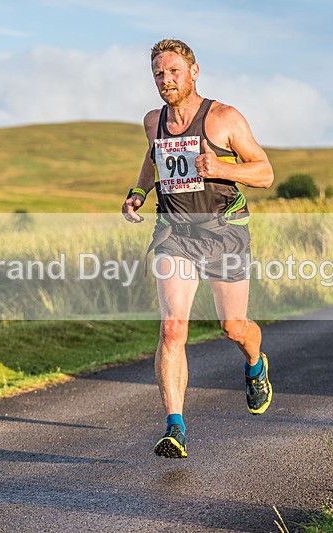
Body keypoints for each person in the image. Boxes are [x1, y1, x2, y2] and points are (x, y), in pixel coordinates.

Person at [122, 39, 274, 459]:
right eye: (158, 73)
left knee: (233, 326)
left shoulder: (224, 118)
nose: (165, 80)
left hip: (224, 230)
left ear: (194, 72)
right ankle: (176, 427)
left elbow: (265, 172)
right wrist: (138, 192)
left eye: (173, 71)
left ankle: (256, 364)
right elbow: (153, 160)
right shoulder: (153, 121)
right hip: (175, 232)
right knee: (172, 329)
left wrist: (221, 167)